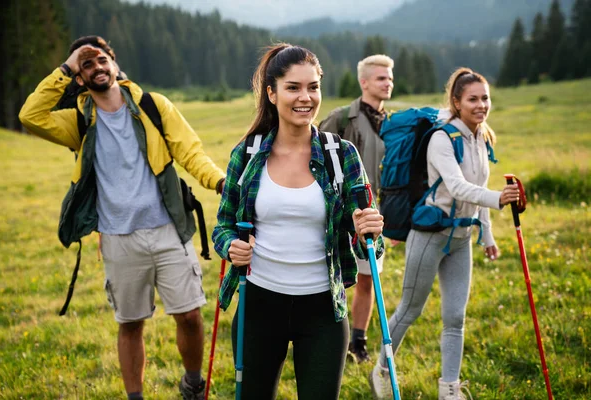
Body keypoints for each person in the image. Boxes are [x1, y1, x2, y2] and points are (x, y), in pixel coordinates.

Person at [19, 35, 226, 400]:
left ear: (115, 66)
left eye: (101, 60)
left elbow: (190, 151)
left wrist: (219, 181)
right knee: (130, 324)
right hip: (117, 238)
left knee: (191, 316)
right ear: (79, 78)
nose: (96, 67)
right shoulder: (78, 122)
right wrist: (65, 68)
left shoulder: (153, 106)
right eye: (86, 64)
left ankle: (193, 383)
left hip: (168, 231)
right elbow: (30, 116)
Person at [212, 43, 385, 399]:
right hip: (258, 303)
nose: (305, 97)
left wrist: (368, 229)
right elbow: (223, 226)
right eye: (293, 87)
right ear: (271, 93)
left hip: (323, 309)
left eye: (313, 87)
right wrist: (231, 246)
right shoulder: (246, 154)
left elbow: (370, 245)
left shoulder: (341, 155)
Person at [369, 67, 520, 399]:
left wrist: (488, 234)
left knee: (455, 317)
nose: (481, 105)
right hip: (431, 235)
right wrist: (498, 200)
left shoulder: (482, 136)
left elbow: (477, 186)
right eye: (473, 99)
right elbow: (457, 187)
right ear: (456, 101)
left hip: (462, 239)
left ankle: (449, 389)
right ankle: (381, 369)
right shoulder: (441, 138)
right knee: (410, 309)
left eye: (485, 98)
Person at [319, 54, 394, 363]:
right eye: (381, 78)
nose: (388, 83)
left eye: (390, 78)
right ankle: (325, 337)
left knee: (368, 277)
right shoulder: (341, 118)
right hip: (339, 215)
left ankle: (358, 342)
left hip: (373, 217)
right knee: (331, 278)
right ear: (364, 82)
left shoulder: (392, 124)